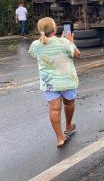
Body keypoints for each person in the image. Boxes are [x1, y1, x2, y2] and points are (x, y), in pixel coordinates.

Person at [28, 17, 81, 148]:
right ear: (54, 29)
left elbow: (33, 54)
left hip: (49, 83)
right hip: (67, 81)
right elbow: (78, 55)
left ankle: (60, 138)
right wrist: (70, 42)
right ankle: (68, 125)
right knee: (69, 103)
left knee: (54, 109)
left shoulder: (35, 45)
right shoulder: (64, 42)